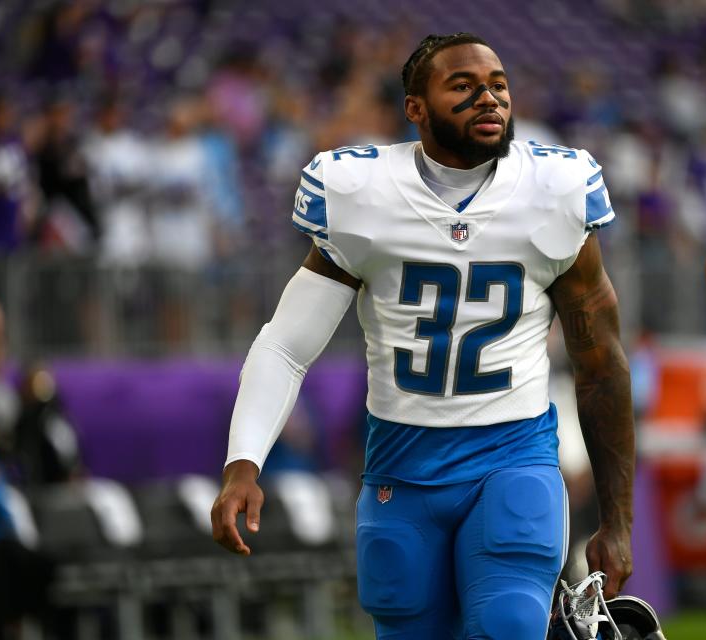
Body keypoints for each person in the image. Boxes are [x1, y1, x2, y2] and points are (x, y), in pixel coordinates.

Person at [211, 33, 636, 639]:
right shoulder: (362, 194)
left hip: (512, 456)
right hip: (400, 467)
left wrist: (618, 522)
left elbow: (602, 363)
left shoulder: (554, 189)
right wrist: (242, 463)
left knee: (507, 627)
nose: (488, 99)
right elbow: (286, 345)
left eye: (498, 85)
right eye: (463, 86)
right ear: (415, 108)